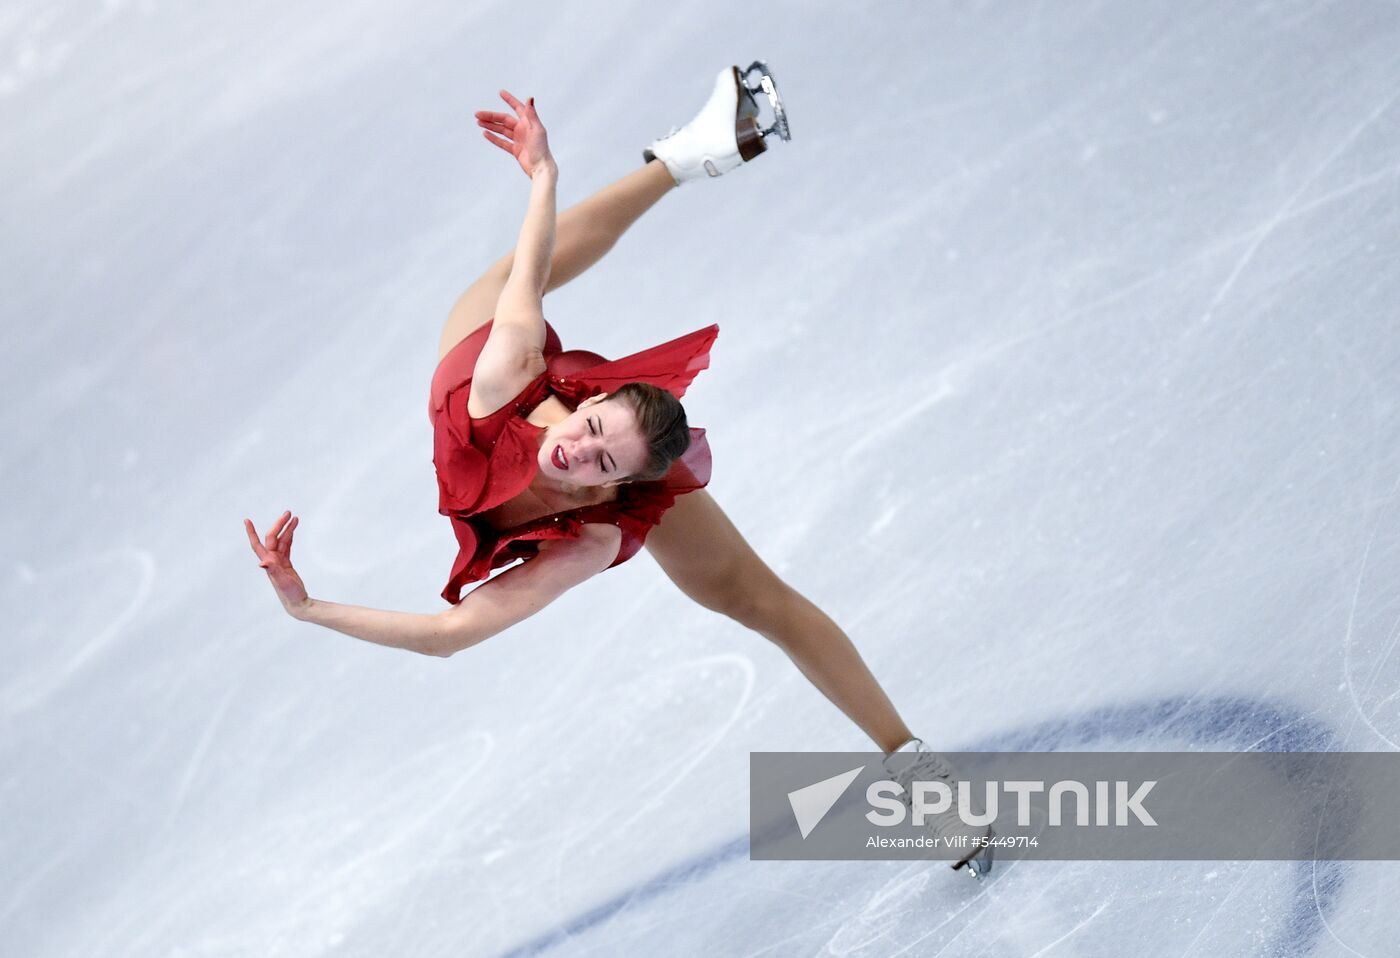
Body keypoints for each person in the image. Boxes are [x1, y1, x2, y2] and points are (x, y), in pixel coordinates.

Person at [245, 63, 992, 878]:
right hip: (479, 390)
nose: (577, 447)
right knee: (499, 285)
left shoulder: (592, 533)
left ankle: (916, 770)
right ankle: (683, 158)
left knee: (753, 596)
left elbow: (450, 637)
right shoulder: (504, 371)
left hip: (571, 458)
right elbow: (530, 272)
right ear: (587, 403)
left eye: (599, 460)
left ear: (612, 492)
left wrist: (308, 606)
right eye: (590, 425)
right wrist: (543, 174)